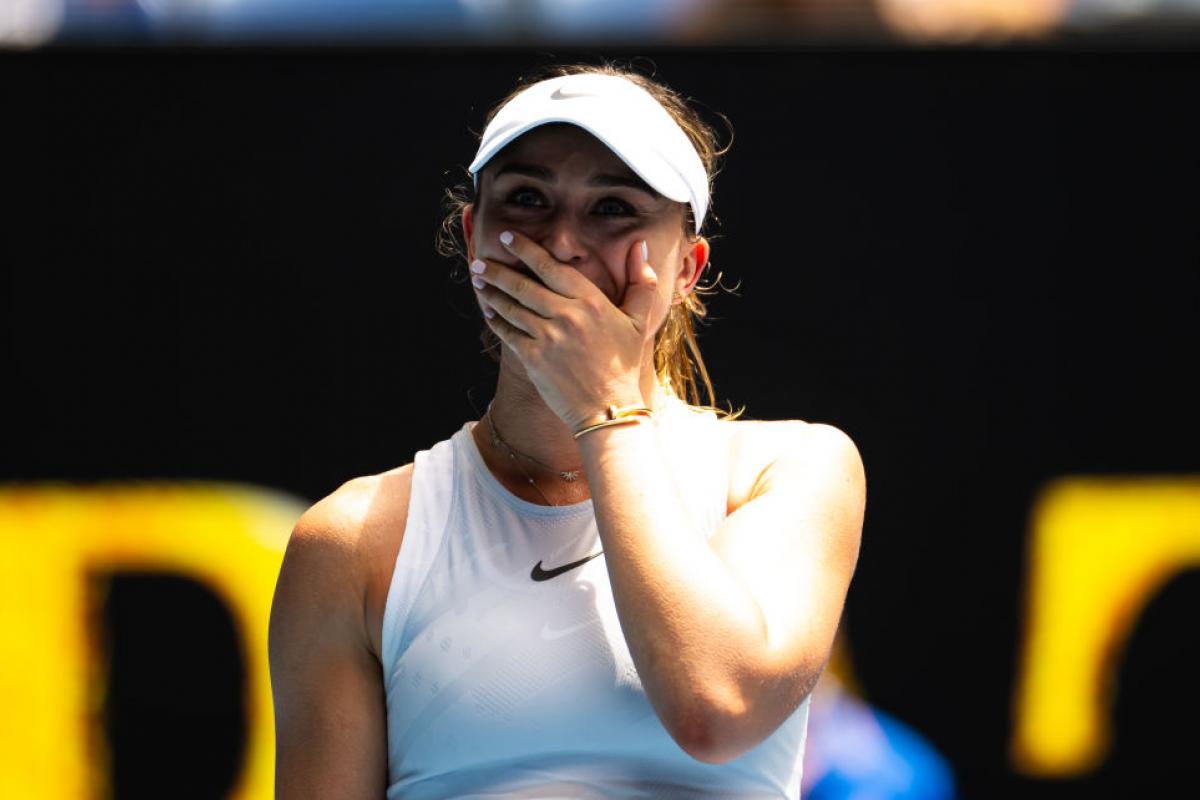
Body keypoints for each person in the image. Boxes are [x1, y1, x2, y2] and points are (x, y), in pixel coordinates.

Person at [269, 63, 866, 799]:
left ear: (688, 266)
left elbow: (718, 708)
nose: (561, 243)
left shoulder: (791, 469)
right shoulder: (350, 541)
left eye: (613, 207)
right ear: (472, 239)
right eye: (526, 200)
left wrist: (603, 407)